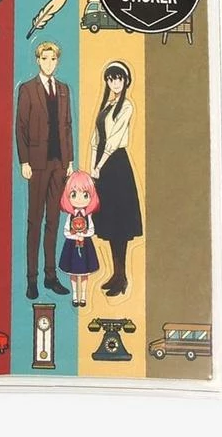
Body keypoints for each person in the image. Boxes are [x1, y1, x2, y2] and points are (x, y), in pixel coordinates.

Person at [15, 41, 73, 299]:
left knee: (53, 221)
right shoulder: (28, 89)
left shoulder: (64, 90)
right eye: (45, 59)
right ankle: (32, 279)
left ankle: (51, 276)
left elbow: (67, 126)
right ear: (38, 60)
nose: (49, 63)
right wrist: (24, 162)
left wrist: (69, 161)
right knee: (34, 221)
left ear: (57, 61)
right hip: (37, 164)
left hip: (59, 164)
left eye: (53, 59)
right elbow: (21, 127)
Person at [89, 60, 142, 296]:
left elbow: (113, 141)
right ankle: (116, 274)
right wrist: (93, 167)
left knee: (120, 224)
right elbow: (96, 138)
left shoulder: (126, 106)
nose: (115, 83)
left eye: (118, 78)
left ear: (126, 81)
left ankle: (122, 278)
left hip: (117, 166)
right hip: (103, 167)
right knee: (110, 223)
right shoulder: (107, 105)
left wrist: (99, 165)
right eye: (111, 79)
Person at [58, 170, 101, 307]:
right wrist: (74, 235)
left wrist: (84, 235)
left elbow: (92, 230)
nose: (80, 199)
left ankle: (83, 296)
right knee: (73, 273)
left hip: (85, 246)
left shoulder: (88, 216)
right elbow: (66, 231)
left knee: (84, 274)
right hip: (71, 246)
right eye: (74, 194)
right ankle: (75, 295)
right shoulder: (70, 216)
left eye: (85, 195)